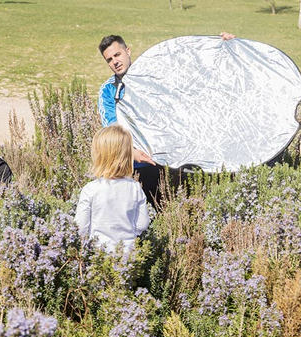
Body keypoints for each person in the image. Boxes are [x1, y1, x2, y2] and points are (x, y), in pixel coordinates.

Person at [97, 33, 235, 207]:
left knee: (190, 207)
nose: (114, 62)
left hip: (176, 160)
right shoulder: (108, 91)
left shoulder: (153, 75)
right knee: (148, 216)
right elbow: (112, 132)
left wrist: (221, 46)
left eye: (117, 55)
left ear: (128, 51)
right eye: (109, 59)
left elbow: (192, 67)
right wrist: (132, 153)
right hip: (138, 167)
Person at [74, 125, 149, 253]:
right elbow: (142, 224)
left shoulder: (90, 189)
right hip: (129, 256)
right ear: (127, 156)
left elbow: (80, 227)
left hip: (98, 255)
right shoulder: (135, 188)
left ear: (99, 156)